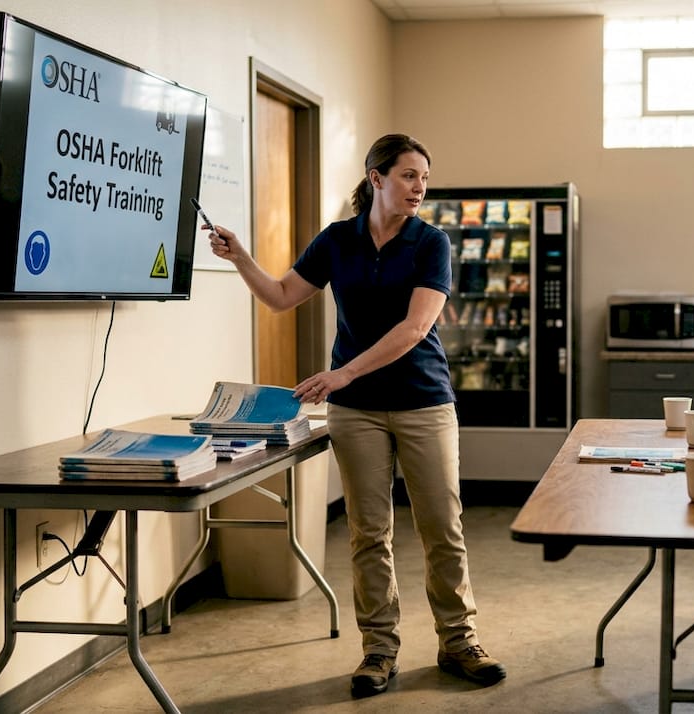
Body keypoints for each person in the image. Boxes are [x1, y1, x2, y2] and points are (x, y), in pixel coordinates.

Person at [206, 133, 506, 698]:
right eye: (409, 176)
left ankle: (459, 640)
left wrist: (343, 373)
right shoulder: (336, 242)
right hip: (357, 414)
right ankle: (378, 650)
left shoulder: (430, 243)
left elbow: (416, 328)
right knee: (370, 533)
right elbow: (278, 296)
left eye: (424, 177)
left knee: (443, 529)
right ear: (376, 178)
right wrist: (241, 257)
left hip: (424, 402)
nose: (420, 187)